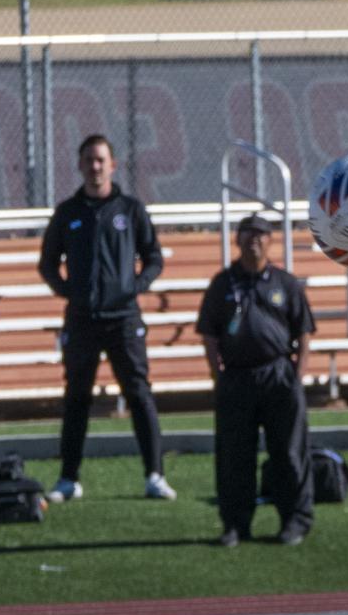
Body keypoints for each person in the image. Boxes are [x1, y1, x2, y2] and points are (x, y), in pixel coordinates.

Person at [38, 133, 174, 504]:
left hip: (124, 319)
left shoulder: (131, 210)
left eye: (101, 160)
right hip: (82, 320)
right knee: (76, 397)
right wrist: (69, 292)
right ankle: (68, 479)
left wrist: (134, 286)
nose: (95, 167)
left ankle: (155, 475)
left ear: (113, 165)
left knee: (139, 394)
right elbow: (47, 264)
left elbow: (154, 257)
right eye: (89, 160)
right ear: (80, 166)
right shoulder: (68, 213)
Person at [196, 212, 317, 547]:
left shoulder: (285, 283)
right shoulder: (222, 283)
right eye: (248, 234)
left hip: (278, 375)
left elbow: (304, 332)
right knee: (234, 455)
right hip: (236, 377)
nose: (254, 240)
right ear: (236, 240)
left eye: (261, 234)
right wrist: (217, 376)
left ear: (270, 241)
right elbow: (209, 334)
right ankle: (235, 524)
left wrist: (297, 376)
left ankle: (294, 521)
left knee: (289, 452)